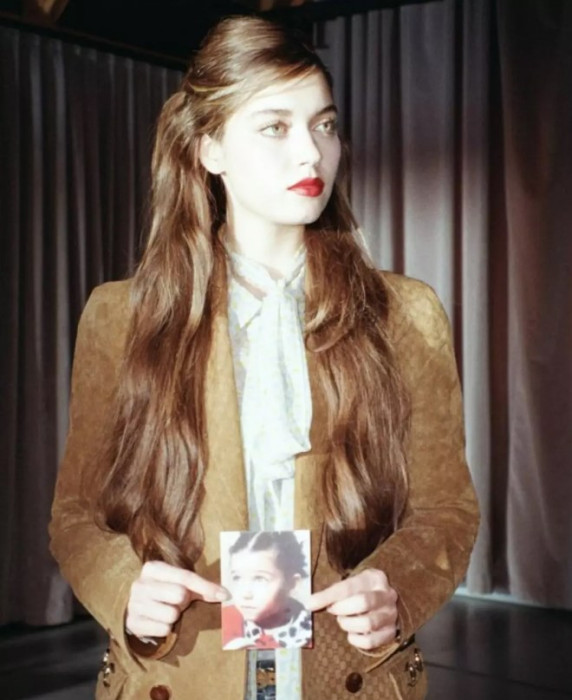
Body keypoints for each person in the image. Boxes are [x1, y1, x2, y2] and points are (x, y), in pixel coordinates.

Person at [49, 13, 479, 700]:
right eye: (275, 126)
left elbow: (447, 510)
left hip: (349, 674)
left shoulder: (405, 313)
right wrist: (123, 587)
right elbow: (75, 515)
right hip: (179, 672)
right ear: (210, 149)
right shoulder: (121, 317)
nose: (311, 153)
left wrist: (396, 586)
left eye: (324, 125)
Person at [222, 531, 312, 651]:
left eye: (260, 579)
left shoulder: (310, 632)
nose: (245, 594)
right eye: (237, 578)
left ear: (292, 583)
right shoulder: (224, 620)